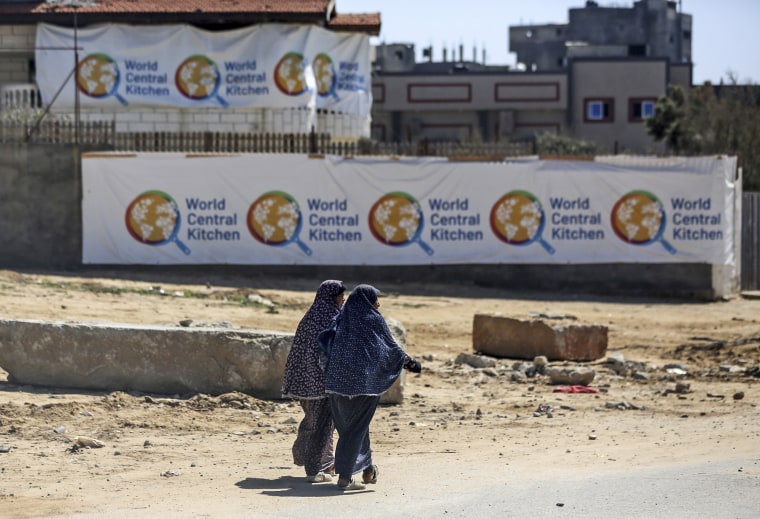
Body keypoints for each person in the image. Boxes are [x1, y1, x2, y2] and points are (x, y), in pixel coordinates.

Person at [324, 284, 422, 491]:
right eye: (375, 298)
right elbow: (390, 348)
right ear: (367, 300)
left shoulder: (341, 318)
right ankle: (345, 476)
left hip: (335, 384)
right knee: (356, 429)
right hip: (363, 385)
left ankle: (368, 470)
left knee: (353, 429)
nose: (378, 303)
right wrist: (411, 363)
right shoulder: (374, 319)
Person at [282, 279, 347, 483]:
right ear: (332, 297)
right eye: (340, 295)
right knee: (324, 426)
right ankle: (320, 465)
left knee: (314, 422)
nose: (343, 299)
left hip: (304, 384)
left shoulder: (309, 318)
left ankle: (320, 462)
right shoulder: (333, 319)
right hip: (323, 384)